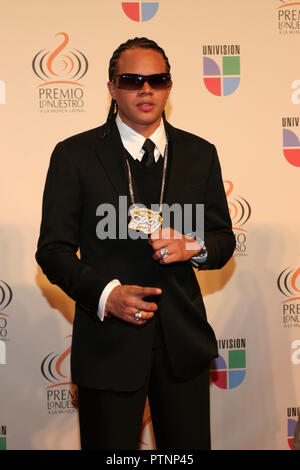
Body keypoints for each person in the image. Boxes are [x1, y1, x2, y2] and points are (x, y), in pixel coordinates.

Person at [36, 37, 235, 450]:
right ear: (112, 88)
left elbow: (222, 241)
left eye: (157, 79)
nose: (146, 90)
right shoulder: (75, 155)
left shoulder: (201, 154)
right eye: (132, 80)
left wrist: (194, 247)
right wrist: (106, 295)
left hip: (183, 343)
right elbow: (52, 251)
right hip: (108, 345)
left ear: (169, 86)